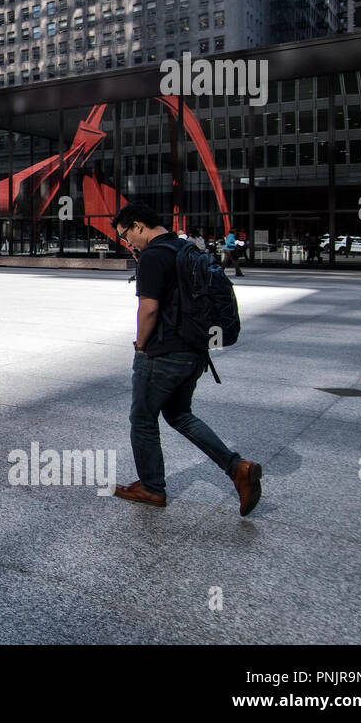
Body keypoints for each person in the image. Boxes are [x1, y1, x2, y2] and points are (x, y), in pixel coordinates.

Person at [111, 203, 262, 516]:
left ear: (138, 226)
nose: (127, 244)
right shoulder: (184, 247)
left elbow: (149, 308)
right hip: (195, 351)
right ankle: (238, 469)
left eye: (126, 237)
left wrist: (141, 346)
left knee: (142, 419)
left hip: (164, 352)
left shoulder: (154, 255)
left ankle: (151, 487)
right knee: (179, 414)